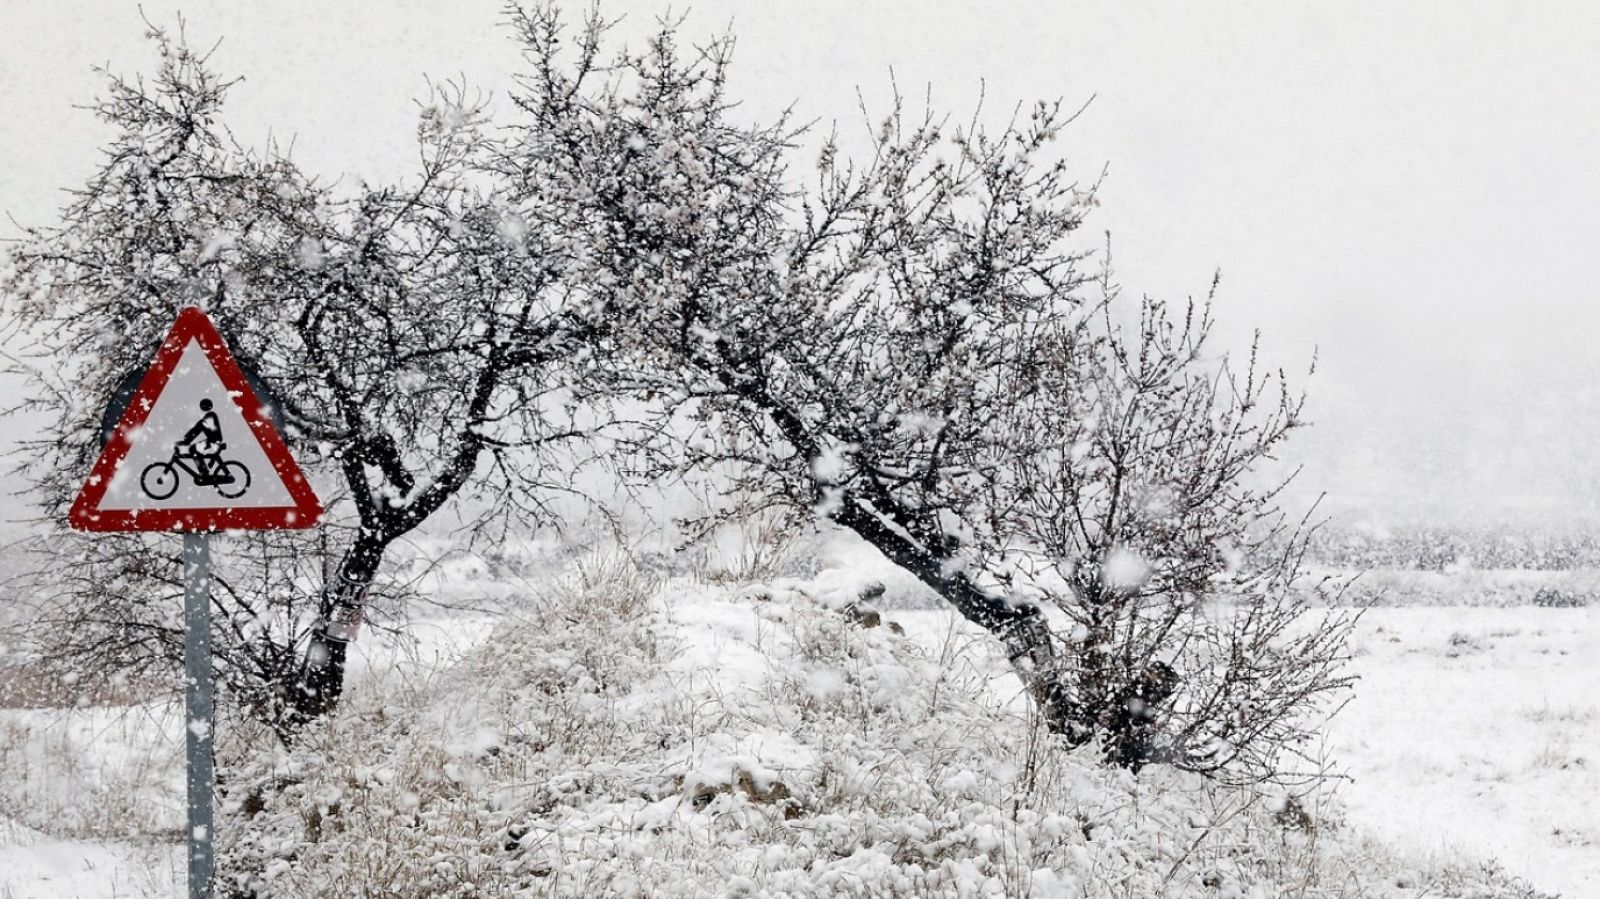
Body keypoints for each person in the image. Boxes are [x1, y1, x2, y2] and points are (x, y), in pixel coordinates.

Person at [178, 399, 225, 480]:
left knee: (193, 449)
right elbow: (197, 428)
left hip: (214, 441)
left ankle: (204, 472)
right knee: (195, 450)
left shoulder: (209, 416)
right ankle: (204, 471)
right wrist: (187, 439)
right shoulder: (209, 415)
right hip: (213, 440)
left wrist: (186, 440)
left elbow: (197, 428)